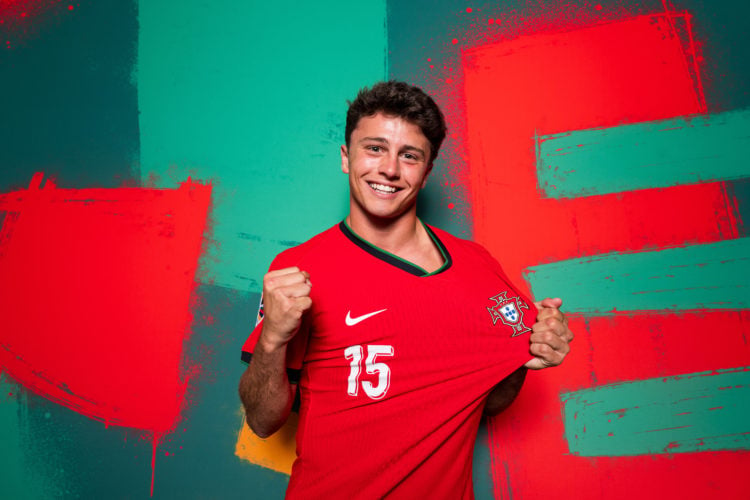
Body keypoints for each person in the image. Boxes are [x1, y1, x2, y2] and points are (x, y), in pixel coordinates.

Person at [238, 81, 573, 499]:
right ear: (347, 157)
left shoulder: (477, 265)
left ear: (427, 170)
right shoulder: (298, 271)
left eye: (409, 156)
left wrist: (533, 350)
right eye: (374, 148)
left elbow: (490, 400)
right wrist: (272, 340)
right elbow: (263, 421)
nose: (389, 169)